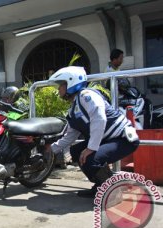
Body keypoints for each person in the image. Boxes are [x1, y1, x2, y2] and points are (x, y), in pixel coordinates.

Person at [46, 66, 139, 198]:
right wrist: (51, 150)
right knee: (76, 151)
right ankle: (100, 186)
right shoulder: (74, 109)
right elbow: (70, 135)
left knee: (91, 158)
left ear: (71, 83)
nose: (58, 89)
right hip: (106, 140)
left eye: (61, 85)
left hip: (123, 139)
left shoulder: (87, 96)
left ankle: (113, 191)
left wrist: (91, 148)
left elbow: (99, 118)